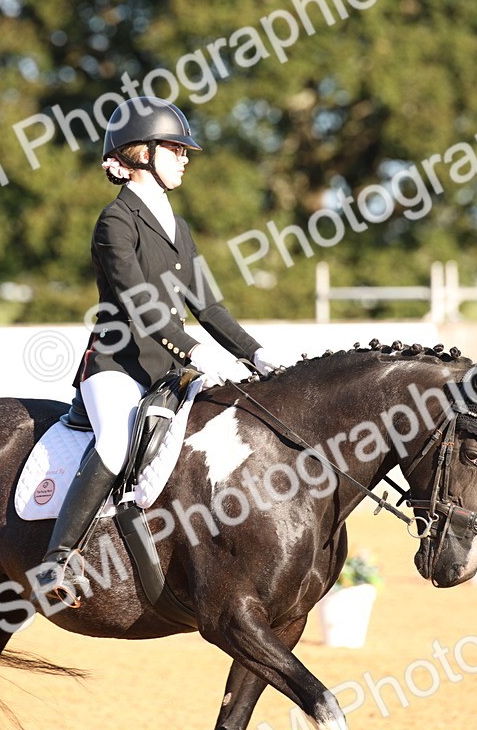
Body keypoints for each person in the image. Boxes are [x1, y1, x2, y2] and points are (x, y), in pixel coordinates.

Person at [36, 95, 296, 607]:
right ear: (142, 154)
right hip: (117, 365)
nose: (185, 157)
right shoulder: (116, 223)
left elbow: (210, 307)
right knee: (115, 443)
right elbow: (141, 308)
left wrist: (258, 356)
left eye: (184, 150)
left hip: (171, 370)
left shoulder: (179, 228)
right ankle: (56, 560)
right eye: (175, 148)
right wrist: (197, 353)